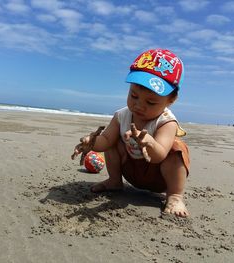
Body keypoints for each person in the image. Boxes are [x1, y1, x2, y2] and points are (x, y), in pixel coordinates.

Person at [73, 49, 190, 217]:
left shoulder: (166, 122)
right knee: (113, 140)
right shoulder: (122, 116)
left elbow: (159, 156)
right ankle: (114, 181)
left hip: (158, 176)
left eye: (150, 102)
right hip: (131, 171)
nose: (139, 105)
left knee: (177, 148)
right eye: (134, 96)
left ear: (171, 100)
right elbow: (106, 141)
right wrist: (91, 143)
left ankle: (175, 196)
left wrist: (149, 142)